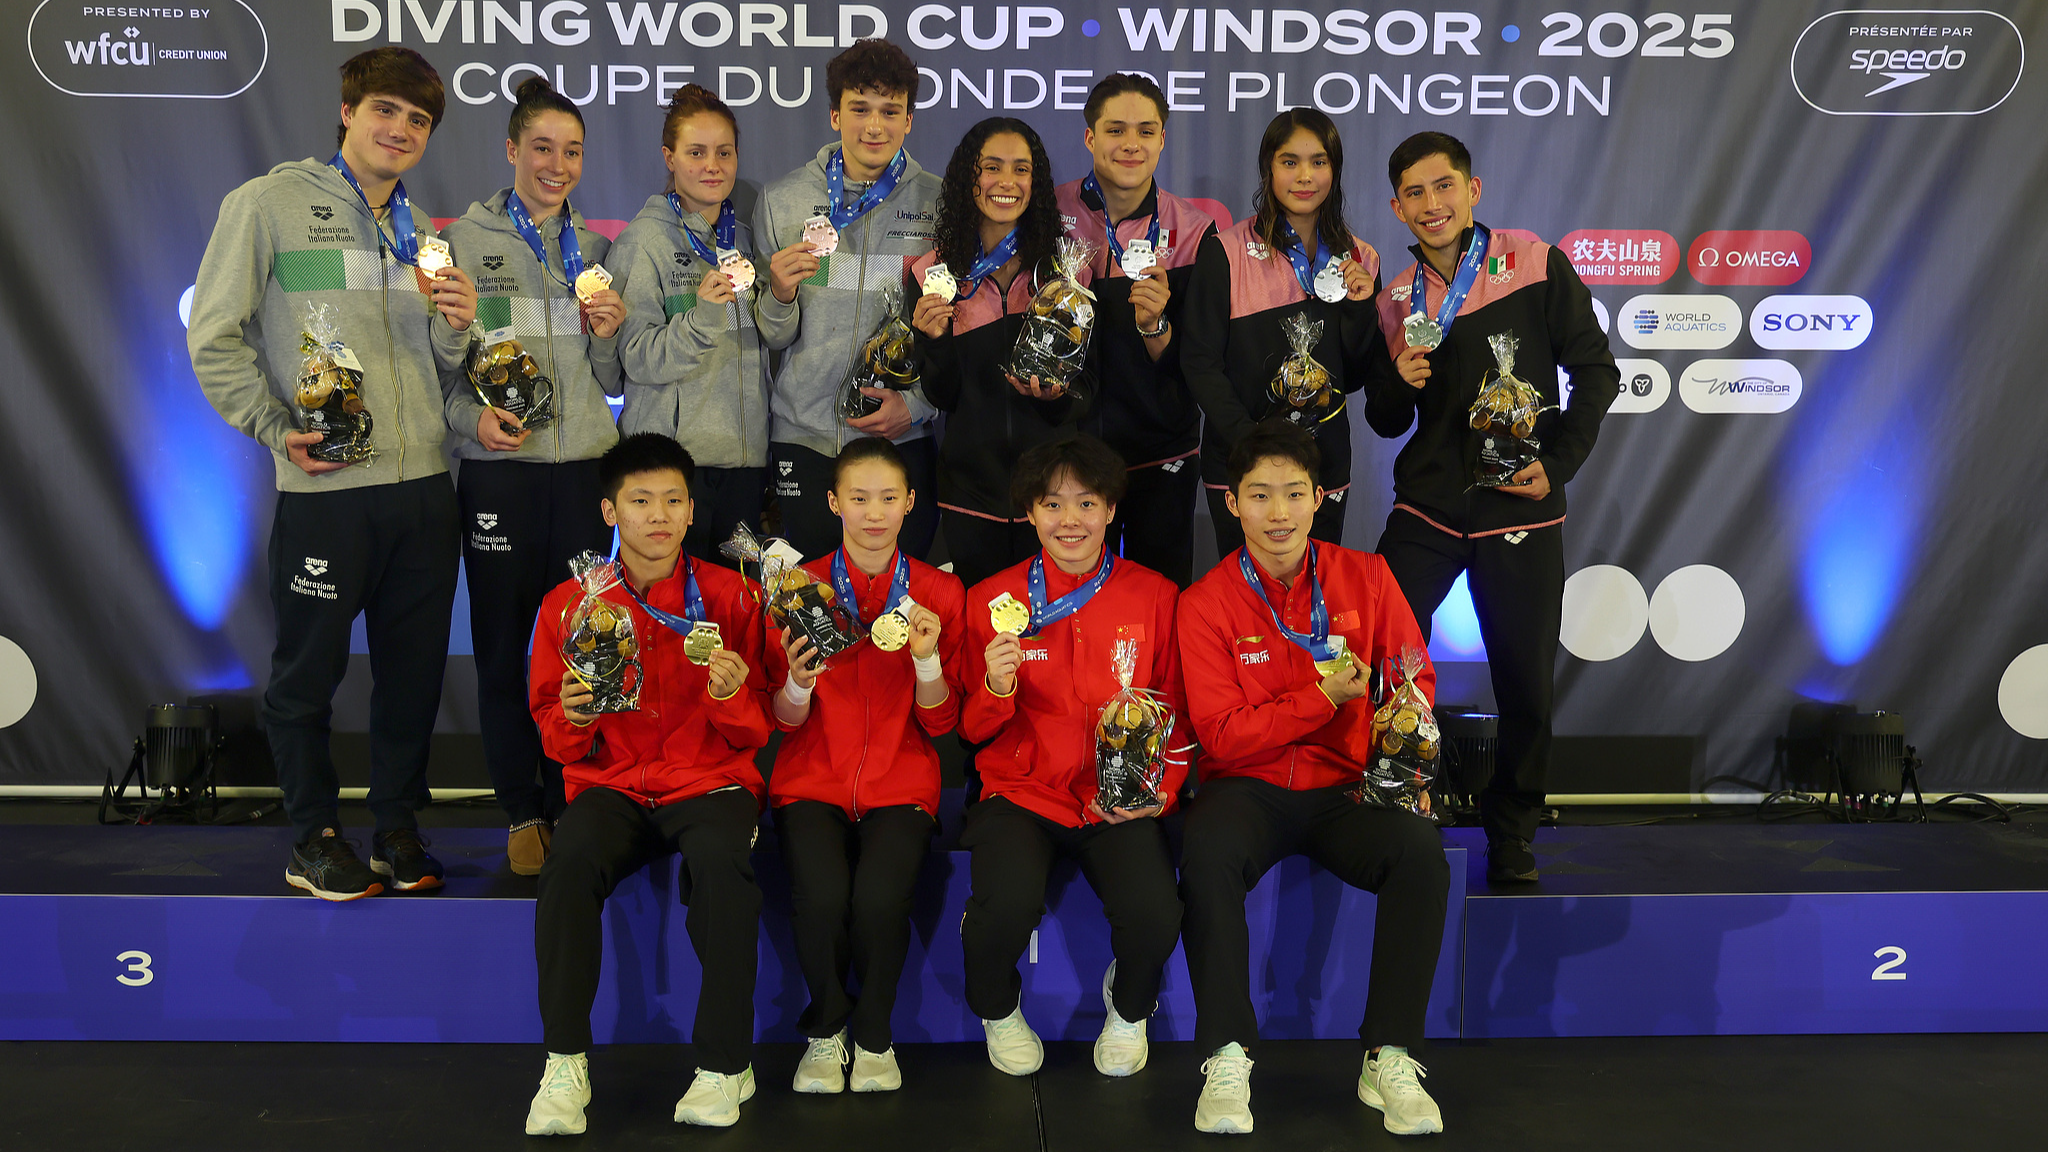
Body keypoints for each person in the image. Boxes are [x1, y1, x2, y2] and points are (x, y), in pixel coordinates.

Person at [188, 46, 476, 900]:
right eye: (386, 110)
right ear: (348, 111)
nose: (401, 130)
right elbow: (214, 336)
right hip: (327, 490)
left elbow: (439, 364)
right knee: (307, 676)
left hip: (423, 489)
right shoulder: (266, 205)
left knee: (413, 676)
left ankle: (396, 828)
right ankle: (312, 836)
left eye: (418, 120)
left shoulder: (422, 233)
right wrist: (274, 428)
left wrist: (457, 325)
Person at [1175, 420, 1450, 1136]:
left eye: (1295, 493)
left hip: (1347, 787)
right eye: (1260, 494)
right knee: (1206, 849)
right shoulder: (1204, 602)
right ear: (1232, 502)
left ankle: (1389, 1055)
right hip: (1248, 786)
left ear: (1320, 498)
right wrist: (1321, 699)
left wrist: (1401, 742)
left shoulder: (1367, 576)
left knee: (1420, 853)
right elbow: (1222, 734)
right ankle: (1226, 1054)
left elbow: (1414, 677)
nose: (1279, 513)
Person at [1365, 131, 1620, 885]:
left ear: (1472, 190)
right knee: (1379, 657)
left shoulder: (1534, 262)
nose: (1432, 204)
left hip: (1522, 509)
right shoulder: (1396, 299)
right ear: (1397, 207)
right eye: (1414, 193)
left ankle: (1512, 834)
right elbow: (1383, 418)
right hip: (1429, 510)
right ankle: (1392, 805)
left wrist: (1557, 465)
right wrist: (1399, 378)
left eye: (1443, 186)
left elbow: (1597, 372)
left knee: (1525, 685)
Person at [522, 433, 773, 1136]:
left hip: (710, 781)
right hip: (615, 785)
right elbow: (552, 731)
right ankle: (564, 1064)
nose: (657, 516)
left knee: (721, 870)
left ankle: (725, 1065)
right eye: (640, 501)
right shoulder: (570, 606)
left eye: (672, 500)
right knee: (568, 865)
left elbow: (758, 729)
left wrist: (728, 694)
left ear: (692, 511)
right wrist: (575, 718)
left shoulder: (733, 596)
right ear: (611, 511)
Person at [440, 75, 626, 876]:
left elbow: (612, 374)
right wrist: (470, 422)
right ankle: (522, 808)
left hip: (583, 475)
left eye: (572, 151)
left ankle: (573, 796)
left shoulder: (598, 251)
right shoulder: (462, 242)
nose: (557, 165)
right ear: (511, 149)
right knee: (502, 647)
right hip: (501, 476)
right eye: (542, 148)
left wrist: (610, 334)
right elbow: (439, 368)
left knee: (583, 643)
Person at [957, 435, 1187, 1081]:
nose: (1070, 521)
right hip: (1022, 793)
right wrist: (996, 686)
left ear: (1111, 509)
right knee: (1001, 911)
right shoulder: (993, 600)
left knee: (1155, 913)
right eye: (1052, 504)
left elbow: (1178, 710)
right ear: (1030, 513)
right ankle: (998, 1009)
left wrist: (1161, 792)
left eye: (1086, 503)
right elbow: (971, 729)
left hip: (1117, 795)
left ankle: (1130, 1008)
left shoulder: (1155, 595)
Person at [765, 437, 967, 1094]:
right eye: (858, 498)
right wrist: (797, 683)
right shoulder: (797, 590)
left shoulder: (940, 592)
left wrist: (927, 662)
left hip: (901, 781)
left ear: (910, 502)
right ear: (833, 503)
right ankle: (826, 1032)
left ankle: (875, 1034)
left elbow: (942, 723)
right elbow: (781, 721)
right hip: (811, 778)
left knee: (880, 899)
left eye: (887, 498)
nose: (873, 513)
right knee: (822, 898)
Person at [754, 39, 942, 561]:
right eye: (860, 109)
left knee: (897, 600)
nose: (874, 126)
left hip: (899, 438)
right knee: (811, 595)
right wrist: (779, 295)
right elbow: (772, 336)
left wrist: (918, 407)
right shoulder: (782, 199)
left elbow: (958, 330)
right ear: (835, 115)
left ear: (909, 120)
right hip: (804, 437)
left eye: (890, 111)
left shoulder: (940, 202)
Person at [1181, 108, 1382, 560]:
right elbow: (1199, 363)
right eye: (1290, 162)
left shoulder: (1361, 259)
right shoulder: (1225, 252)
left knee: (1314, 587)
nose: (1305, 176)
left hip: (1323, 464)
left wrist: (1359, 308)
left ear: (1335, 168)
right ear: (1268, 168)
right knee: (1245, 594)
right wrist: (1250, 441)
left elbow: (1354, 375)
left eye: (1319, 161)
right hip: (1241, 459)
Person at [910, 117, 1089, 592]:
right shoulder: (933, 273)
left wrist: (1056, 399)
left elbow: (1091, 388)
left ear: (1037, 182)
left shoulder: (1067, 272)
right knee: (980, 626)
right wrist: (935, 341)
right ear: (968, 178)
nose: (1007, 182)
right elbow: (942, 396)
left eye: (1021, 169)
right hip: (970, 496)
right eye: (991, 167)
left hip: (1054, 498)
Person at [1055, 74, 1219, 587]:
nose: (1131, 144)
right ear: (1090, 137)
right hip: (1070, 452)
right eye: (1116, 130)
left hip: (1161, 451)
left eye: (1146, 131)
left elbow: (1200, 359)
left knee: (1162, 598)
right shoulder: (1048, 215)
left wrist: (1155, 327)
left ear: (1162, 139)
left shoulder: (1194, 230)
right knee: (1068, 600)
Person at [612, 84, 773, 564]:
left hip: (744, 462)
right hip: (673, 469)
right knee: (673, 601)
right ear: (670, 157)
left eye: (724, 152)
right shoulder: (642, 243)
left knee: (736, 603)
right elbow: (636, 358)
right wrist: (702, 320)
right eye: (696, 152)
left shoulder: (746, 239)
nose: (712, 166)